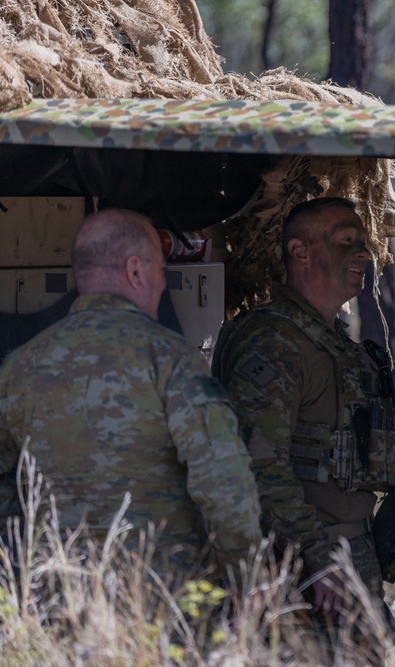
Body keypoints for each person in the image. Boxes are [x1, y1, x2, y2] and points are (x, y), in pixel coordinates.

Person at [0, 209, 262, 577]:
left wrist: (24, 549)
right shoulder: (172, 360)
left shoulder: (20, 367)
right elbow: (222, 477)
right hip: (159, 595)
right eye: (160, 269)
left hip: (59, 596)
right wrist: (244, 575)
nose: (162, 282)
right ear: (135, 270)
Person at [214, 197, 395, 630]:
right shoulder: (276, 343)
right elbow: (259, 466)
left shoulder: (330, 341)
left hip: (345, 558)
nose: (363, 253)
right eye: (344, 242)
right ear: (300, 253)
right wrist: (317, 560)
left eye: (363, 243)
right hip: (305, 570)